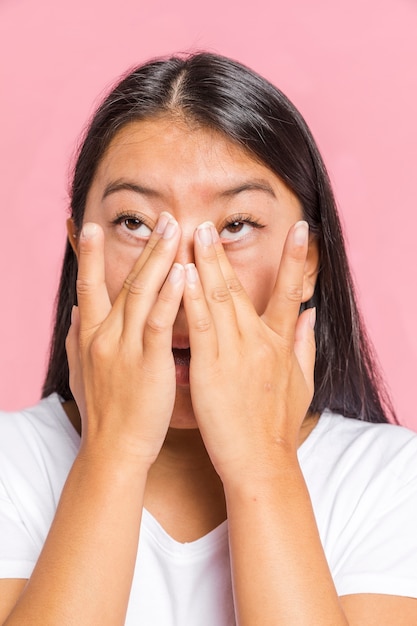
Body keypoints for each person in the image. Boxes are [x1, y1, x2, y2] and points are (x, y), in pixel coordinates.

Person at [0, 52, 416, 626]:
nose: (185, 277)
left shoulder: (391, 481)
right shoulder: (10, 465)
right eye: (136, 223)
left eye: (236, 227)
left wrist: (262, 465)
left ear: (310, 261)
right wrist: (112, 455)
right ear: (79, 248)